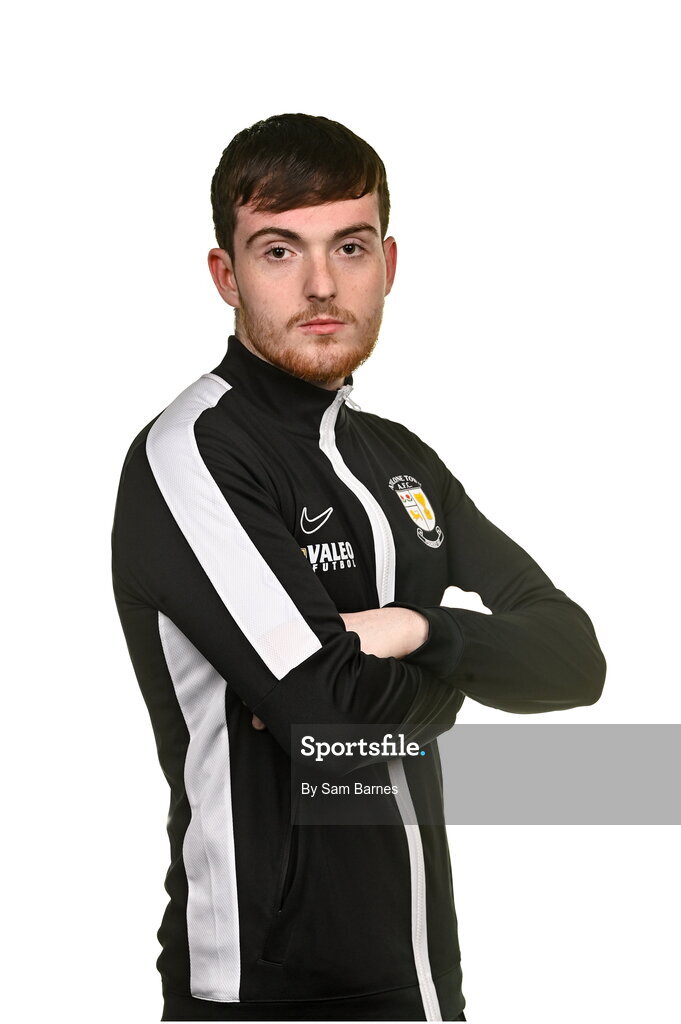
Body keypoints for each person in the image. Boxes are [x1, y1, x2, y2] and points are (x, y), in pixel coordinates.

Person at [111, 113, 606, 1022]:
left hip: (419, 979)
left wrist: (420, 630)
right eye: (277, 251)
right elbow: (330, 717)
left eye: (348, 245)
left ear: (388, 262)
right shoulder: (194, 454)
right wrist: (452, 688)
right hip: (260, 988)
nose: (320, 284)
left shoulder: (399, 459)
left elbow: (575, 661)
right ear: (225, 274)